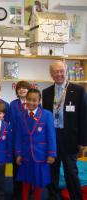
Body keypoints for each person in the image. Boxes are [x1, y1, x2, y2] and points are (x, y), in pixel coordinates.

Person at [42, 60, 87, 200]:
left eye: (62, 71)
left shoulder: (78, 90)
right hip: (52, 137)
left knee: (71, 172)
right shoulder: (46, 92)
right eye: (56, 71)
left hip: (70, 138)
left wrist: (83, 140)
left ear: (66, 72)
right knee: (52, 171)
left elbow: (84, 116)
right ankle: (53, 197)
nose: (59, 74)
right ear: (51, 74)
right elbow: (45, 118)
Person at [15, 88, 56, 200]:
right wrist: (18, 153)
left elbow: (51, 136)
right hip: (25, 154)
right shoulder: (20, 115)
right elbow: (18, 136)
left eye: (34, 100)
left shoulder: (47, 115)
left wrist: (52, 154)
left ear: (39, 101)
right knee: (25, 180)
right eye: (29, 99)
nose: (31, 102)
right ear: (25, 100)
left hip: (41, 154)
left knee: (39, 181)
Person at [9, 81, 31, 200]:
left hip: (30, 142)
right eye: (19, 88)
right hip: (16, 140)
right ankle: (17, 191)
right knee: (16, 167)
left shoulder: (33, 103)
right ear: (16, 91)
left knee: (29, 166)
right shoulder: (13, 104)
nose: (22, 90)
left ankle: (30, 191)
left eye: (24, 88)